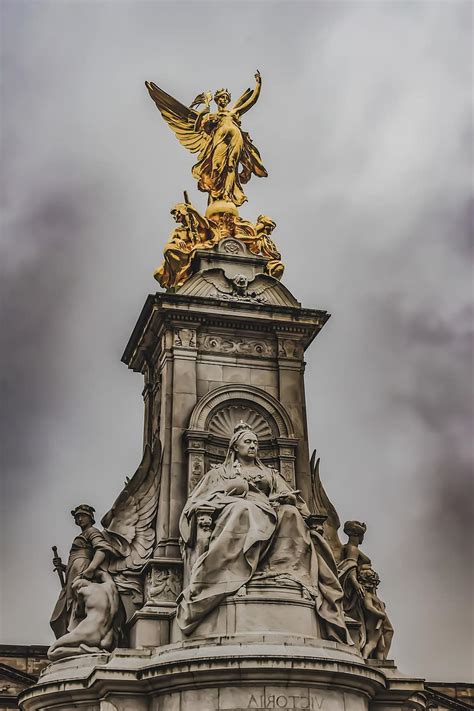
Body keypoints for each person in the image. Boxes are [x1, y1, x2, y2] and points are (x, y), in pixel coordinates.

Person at [177, 423, 351, 644]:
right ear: (235, 447)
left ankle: (285, 574)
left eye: (255, 443)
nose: (253, 446)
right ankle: (232, 574)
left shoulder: (270, 473)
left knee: (290, 515)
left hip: (271, 511)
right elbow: (199, 500)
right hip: (236, 509)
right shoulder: (220, 473)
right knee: (244, 510)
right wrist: (238, 496)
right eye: (248, 442)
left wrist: (287, 500)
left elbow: (294, 498)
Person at [191, 72, 268, 206]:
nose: (224, 100)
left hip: (236, 138)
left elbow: (252, 101)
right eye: (221, 97)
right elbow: (197, 128)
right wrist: (204, 112)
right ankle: (215, 194)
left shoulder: (233, 113)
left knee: (231, 164)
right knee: (216, 167)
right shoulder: (212, 116)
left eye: (226, 97)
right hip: (219, 140)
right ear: (217, 100)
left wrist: (258, 84)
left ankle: (227, 193)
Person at [50, 504, 117, 639]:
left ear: (90, 517)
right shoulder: (83, 534)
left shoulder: (92, 531)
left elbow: (102, 549)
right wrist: (63, 566)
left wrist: (91, 569)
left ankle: (77, 638)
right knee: (60, 616)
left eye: (82, 516)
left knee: (76, 610)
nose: (79, 519)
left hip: (82, 573)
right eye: (77, 517)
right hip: (73, 575)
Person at [48, 571, 119, 661]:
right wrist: (88, 572)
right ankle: (88, 649)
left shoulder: (82, 591)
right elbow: (102, 573)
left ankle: (83, 650)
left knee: (51, 652)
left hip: (89, 631)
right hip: (108, 637)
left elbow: (79, 612)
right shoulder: (110, 586)